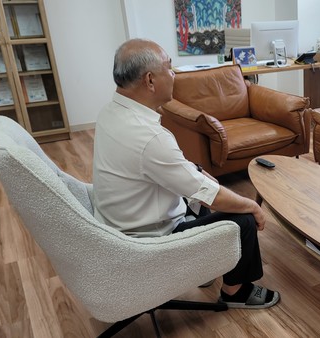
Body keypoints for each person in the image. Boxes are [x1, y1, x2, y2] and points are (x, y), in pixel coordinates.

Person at [92, 38, 279, 309]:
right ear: (150, 81)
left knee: (202, 200)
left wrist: (198, 172)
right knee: (244, 219)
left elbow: (166, 167)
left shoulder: (110, 112)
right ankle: (235, 292)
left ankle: (204, 267)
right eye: (169, 68)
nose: (174, 74)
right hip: (149, 241)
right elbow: (210, 195)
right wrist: (253, 205)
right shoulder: (149, 136)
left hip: (121, 225)